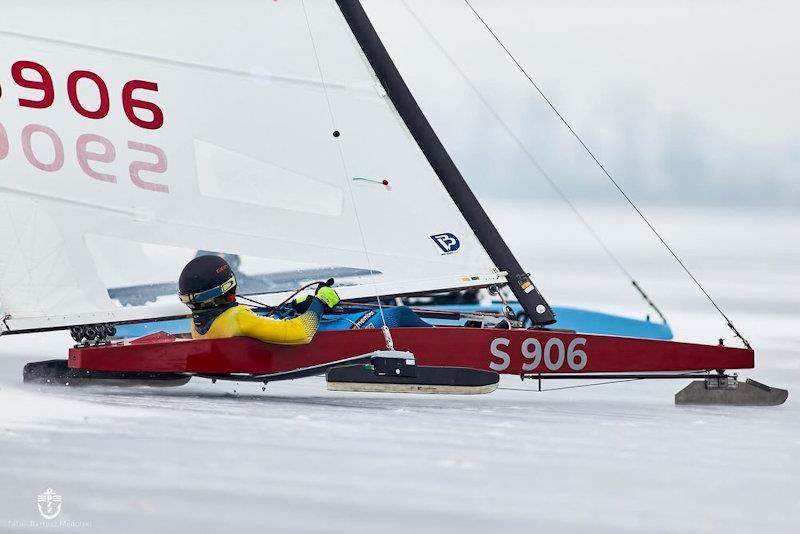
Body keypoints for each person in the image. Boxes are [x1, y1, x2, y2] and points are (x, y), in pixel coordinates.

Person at [178, 255, 340, 344]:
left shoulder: (199, 323)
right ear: (229, 286)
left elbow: (256, 325)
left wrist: (294, 307)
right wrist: (320, 301)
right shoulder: (237, 318)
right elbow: (302, 332)